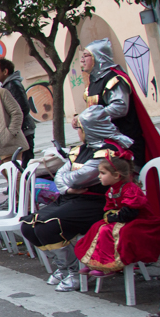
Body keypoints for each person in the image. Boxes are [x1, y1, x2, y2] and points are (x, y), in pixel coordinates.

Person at [21, 106, 133, 291]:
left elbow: (78, 177)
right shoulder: (83, 149)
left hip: (97, 204)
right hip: (72, 198)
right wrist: (68, 190)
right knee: (28, 226)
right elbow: (61, 175)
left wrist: (68, 183)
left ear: (89, 128)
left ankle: (74, 272)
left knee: (48, 226)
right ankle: (63, 267)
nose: (78, 132)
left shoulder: (109, 151)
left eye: (79, 128)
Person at [80, 38, 160, 168]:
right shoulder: (93, 82)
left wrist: (89, 117)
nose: (82, 59)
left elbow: (120, 107)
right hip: (105, 142)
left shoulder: (114, 79)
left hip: (125, 142)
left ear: (98, 57)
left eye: (86, 55)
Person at [75, 150, 160, 277]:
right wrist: (110, 216)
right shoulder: (112, 190)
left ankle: (110, 266)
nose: (99, 176)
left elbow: (131, 212)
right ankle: (94, 262)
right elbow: (109, 208)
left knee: (110, 231)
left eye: (102, 173)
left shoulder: (130, 189)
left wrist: (114, 217)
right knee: (96, 227)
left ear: (116, 175)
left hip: (141, 221)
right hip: (123, 218)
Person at [0, 58, 36, 163]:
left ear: (5, 71)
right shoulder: (7, 85)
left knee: (24, 164)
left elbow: (23, 108)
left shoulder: (13, 85)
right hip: (19, 131)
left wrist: (12, 129)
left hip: (23, 131)